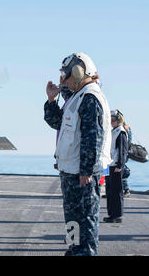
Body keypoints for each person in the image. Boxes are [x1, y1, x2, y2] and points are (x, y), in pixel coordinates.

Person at [44, 53, 112, 256]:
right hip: (70, 172)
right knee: (73, 221)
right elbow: (57, 123)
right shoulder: (76, 97)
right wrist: (51, 99)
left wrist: (86, 171)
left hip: (82, 175)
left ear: (78, 72)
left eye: (66, 76)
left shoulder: (90, 98)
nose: (63, 81)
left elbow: (93, 138)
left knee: (86, 223)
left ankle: (85, 253)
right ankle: (74, 250)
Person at [104, 110, 129, 223]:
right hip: (109, 165)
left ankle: (117, 215)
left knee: (116, 191)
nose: (111, 121)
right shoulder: (113, 131)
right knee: (109, 191)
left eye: (113, 119)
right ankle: (111, 214)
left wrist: (120, 165)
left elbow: (122, 150)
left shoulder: (121, 132)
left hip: (116, 166)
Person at [123, 123, 132, 197]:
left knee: (122, 172)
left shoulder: (125, 131)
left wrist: (128, 130)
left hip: (123, 154)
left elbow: (128, 142)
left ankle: (126, 190)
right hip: (121, 153)